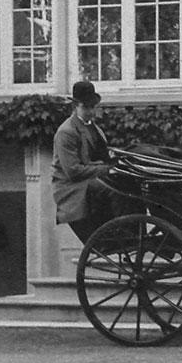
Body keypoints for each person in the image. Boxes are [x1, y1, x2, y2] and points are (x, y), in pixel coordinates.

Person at [52, 80, 116, 243]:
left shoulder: (95, 129)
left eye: (92, 106)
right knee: (111, 191)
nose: (90, 111)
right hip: (71, 188)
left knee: (125, 184)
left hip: (89, 179)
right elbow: (73, 171)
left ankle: (131, 230)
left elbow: (104, 155)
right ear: (75, 106)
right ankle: (114, 230)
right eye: (85, 107)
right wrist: (106, 169)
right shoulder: (66, 132)